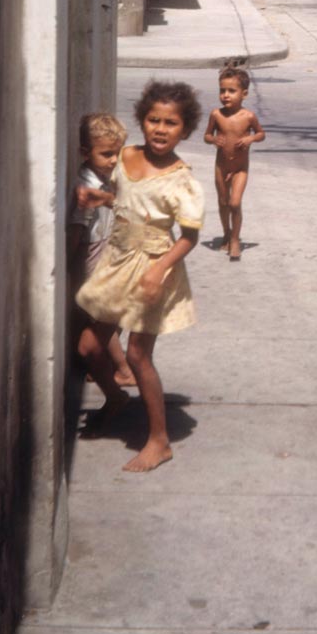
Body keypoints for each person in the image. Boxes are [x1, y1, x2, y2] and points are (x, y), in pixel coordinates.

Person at [75, 80, 204, 472]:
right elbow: (127, 200)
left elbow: (190, 237)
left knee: (137, 354)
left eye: (171, 123)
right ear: (142, 121)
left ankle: (159, 440)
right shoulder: (126, 157)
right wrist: (102, 198)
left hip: (153, 267)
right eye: (153, 120)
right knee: (88, 346)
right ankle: (116, 398)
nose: (161, 129)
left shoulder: (182, 179)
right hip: (117, 262)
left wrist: (159, 270)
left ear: (185, 130)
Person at [68, 113, 135, 387]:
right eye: (106, 154)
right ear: (85, 153)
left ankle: (111, 368)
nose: (112, 160)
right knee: (102, 317)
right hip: (91, 258)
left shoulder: (105, 178)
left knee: (105, 317)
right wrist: (68, 262)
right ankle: (118, 368)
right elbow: (77, 228)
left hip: (105, 254)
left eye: (116, 154)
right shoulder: (87, 185)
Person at [203, 65, 265, 261]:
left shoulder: (248, 117)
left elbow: (261, 134)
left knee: (235, 202)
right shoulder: (216, 115)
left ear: (244, 93)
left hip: (240, 168)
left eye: (231, 91)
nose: (226, 95)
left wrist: (250, 139)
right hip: (221, 166)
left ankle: (236, 239)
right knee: (223, 202)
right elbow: (206, 135)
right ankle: (226, 233)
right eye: (222, 90)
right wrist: (214, 140)